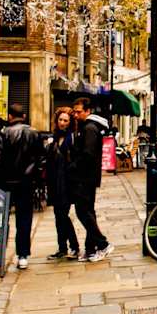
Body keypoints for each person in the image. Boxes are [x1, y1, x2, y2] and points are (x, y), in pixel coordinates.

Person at [0, 104, 43, 270]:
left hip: (5, 183)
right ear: (24, 116)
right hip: (26, 183)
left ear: (10, 116)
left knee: (1, 218)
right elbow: (40, 159)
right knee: (24, 219)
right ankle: (23, 256)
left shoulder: (4, 133)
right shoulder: (34, 133)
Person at [69, 97, 113, 262]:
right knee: (88, 213)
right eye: (74, 112)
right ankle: (91, 249)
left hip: (85, 177)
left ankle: (103, 244)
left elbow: (88, 154)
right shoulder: (87, 127)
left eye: (79, 112)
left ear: (88, 111)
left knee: (83, 212)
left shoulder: (89, 128)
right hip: (87, 177)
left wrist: (73, 166)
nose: (75, 115)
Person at [45, 107, 81, 260]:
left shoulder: (72, 138)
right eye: (60, 119)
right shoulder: (54, 137)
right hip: (54, 182)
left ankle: (74, 247)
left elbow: (76, 159)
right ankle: (62, 248)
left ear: (70, 122)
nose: (62, 123)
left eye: (65, 120)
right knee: (58, 216)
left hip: (66, 183)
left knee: (62, 215)